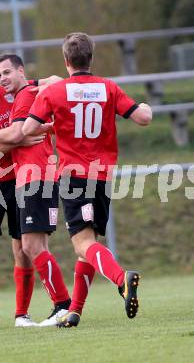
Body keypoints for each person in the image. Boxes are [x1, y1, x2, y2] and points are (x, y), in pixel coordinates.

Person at [23, 32, 153, 327]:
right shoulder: (108, 88)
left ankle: (122, 279)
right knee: (89, 244)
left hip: (73, 178)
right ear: (90, 58)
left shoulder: (54, 93)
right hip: (102, 177)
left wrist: (54, 126)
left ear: (66, 60)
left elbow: (27, 130)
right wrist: (148, 107)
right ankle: (75, 311)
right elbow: (142, 118)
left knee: (83, 244)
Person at [0, 53, 72, 327]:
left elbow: (57, 81)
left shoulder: (15, 89)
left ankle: (28, 313)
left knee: (26, 249)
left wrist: (7, 135)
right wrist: (21, 139)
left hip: (26, 179)